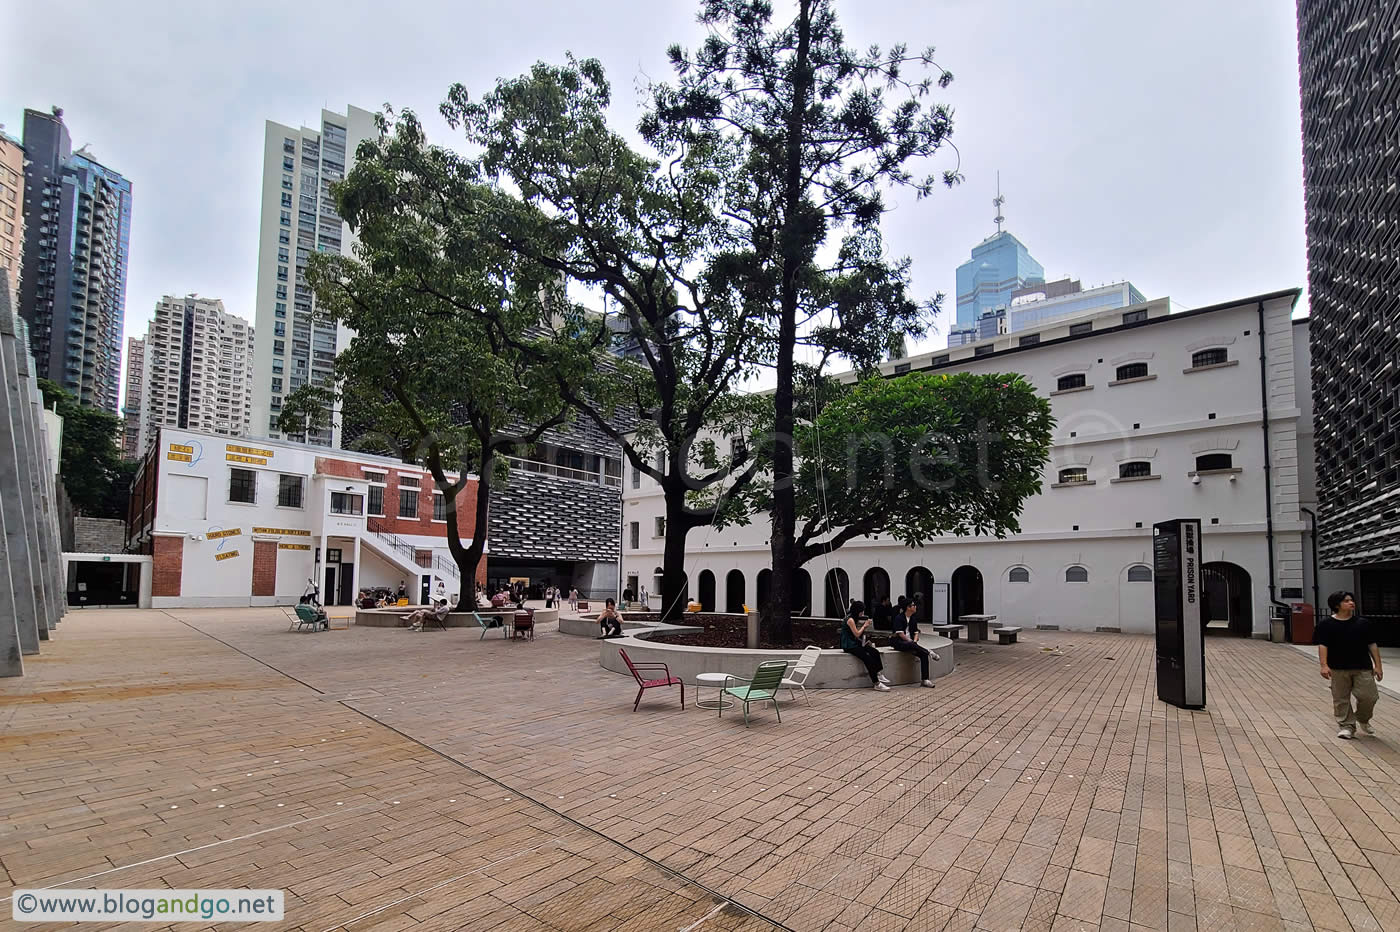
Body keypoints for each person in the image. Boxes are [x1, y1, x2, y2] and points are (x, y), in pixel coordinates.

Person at [1314, 591, 1383, 739]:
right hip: (1338, 668)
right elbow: (1323, 645)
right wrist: (1324, 665)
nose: (1351, 603)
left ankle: (1363, 719)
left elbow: (1372, 645)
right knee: (1341, 699)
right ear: (1337, 605)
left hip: (1363, 666)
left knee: (1369, 696)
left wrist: (1378, 666)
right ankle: (1346, 726)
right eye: (1346, 601)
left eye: (1351, 600)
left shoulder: (1363, 623)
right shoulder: (1325, 625)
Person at [841, 600, 888, 691]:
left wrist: (865, 642)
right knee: (867, 658)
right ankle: (876, 683)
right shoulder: (850, 620)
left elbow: (857, 636)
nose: (862, 613)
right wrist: (865, 626)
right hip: (849, 645)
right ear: (857, 611)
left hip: (854, 642)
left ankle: (878, 673)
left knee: (874, 652)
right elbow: (857, 634)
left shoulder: (854, 618)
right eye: (861, 611)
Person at [890, 599, 938, 688]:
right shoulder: (899, 618)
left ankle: (925, 679)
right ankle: (929, 652)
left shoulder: (913, 619)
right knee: (913, 645)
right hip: (899, 642)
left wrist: (914, 642)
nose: (915, 607)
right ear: (908, 608)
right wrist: (911, 642)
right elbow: (900, 634)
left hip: (911, 643)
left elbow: (916, 633)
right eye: (913, 605)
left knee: (923, 655)